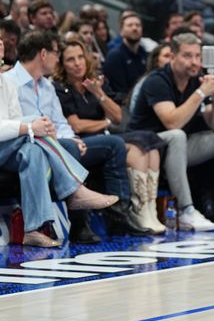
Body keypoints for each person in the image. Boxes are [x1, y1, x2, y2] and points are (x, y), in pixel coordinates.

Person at [4, 30, 148, 238]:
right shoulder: (8, 81)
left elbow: (61, 122)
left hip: (49, 142)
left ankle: (119, 216)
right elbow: (16, 125)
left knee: (112, 144)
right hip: (22, 143)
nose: (59, 58)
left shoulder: (47, 86)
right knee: (59, 146)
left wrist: (71, 137)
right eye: (57, 53)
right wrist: (47, 132)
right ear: (44, 54)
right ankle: (79, 218)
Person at [127, 33, 214, 232]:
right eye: (187, 56)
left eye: (197, 56)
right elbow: (172, 122)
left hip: (178, 148)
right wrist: (200, 93)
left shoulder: (196, 81)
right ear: (173, 56)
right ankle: (186, 209)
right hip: (147, 148)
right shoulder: (156, 81)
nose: (194, 62)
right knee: (177, 135)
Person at [54, 39, 167, 233]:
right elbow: (77, 125)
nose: (78, 63)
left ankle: (145, 210)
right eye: (71, 59)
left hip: (105, 137)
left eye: (80, 57)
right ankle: (128, 213)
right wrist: (105, 123)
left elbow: (118, 116)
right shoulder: (60, 88)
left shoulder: (94, 83)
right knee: (121, 143)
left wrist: (98, 93)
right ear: (62, 64)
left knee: (147, 145)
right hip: (79, 141)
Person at [103, 13, 149, 103]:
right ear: (121, 31)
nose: (135, 28)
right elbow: (118, 92)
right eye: (130, 25)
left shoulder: (143, 53)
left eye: (138, 25)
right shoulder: (115, 56)